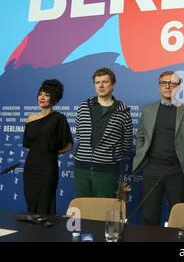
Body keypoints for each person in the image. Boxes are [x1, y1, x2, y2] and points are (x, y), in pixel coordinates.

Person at [132, 71, 184, 226]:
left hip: (178, 171)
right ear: (159, 86)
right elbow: (140, 136)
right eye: (163, 82)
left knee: (178, 219)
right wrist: (144, 156)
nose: (168, 86)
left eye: (172, 83)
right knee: (150, 216)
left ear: (179, 86)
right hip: (152, 169)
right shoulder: (148, 110)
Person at [74, 67, 132, 198]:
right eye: (97, 82)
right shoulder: (84, 107)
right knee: (83, 209)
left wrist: (109, 155)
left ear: (113, 85)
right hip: (81, 168)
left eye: (105, 82)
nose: (101, 86)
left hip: (107, 171)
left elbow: (126, 142)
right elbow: (79, 134)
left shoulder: (123, 111)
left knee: (104, 211)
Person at [23, 79, 73, 215]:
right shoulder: (31, 118)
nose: (42, 97)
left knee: (45, 203)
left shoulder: (59, 118)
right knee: (31, 203)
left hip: (47, 168)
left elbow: (69, 145)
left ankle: (45, 234)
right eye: (40, 94)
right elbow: (27, 145)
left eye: (47, 95)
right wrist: (38, 152)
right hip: (30, 168)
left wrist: (50, 153)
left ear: (54, 98)